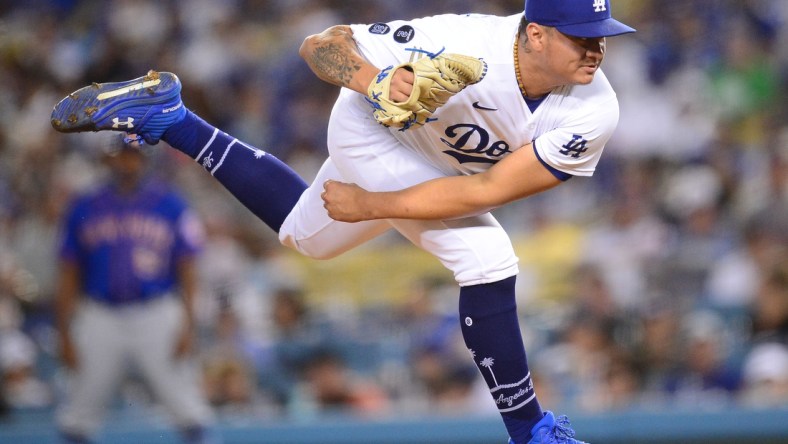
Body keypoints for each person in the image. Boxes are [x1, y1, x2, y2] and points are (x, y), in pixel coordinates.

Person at [50, 0, 635, 442]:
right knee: (486, 258)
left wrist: (372, 206)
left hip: (430, 169)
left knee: (307, 237)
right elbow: (318, 45)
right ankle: (531, 430)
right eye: (582, 38)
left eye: (603, 38)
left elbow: (485, 189)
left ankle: (172, 117)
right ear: (535, 33)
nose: (596, 51)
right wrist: (375, 79)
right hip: (372, 135)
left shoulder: (594, 107)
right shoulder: (463, 41)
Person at [53, 135, 218, 444]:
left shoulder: (171, 203)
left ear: (144, 159)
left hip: (155, 311)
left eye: (132, 156)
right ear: (107, 160)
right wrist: (64, 332)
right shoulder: (85, 205)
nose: (126, 163)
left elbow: (189, 269)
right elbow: (68, 272)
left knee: (188, 406)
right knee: (78, 410)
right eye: (120, 156)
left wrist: (188, 324)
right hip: (100, 313)